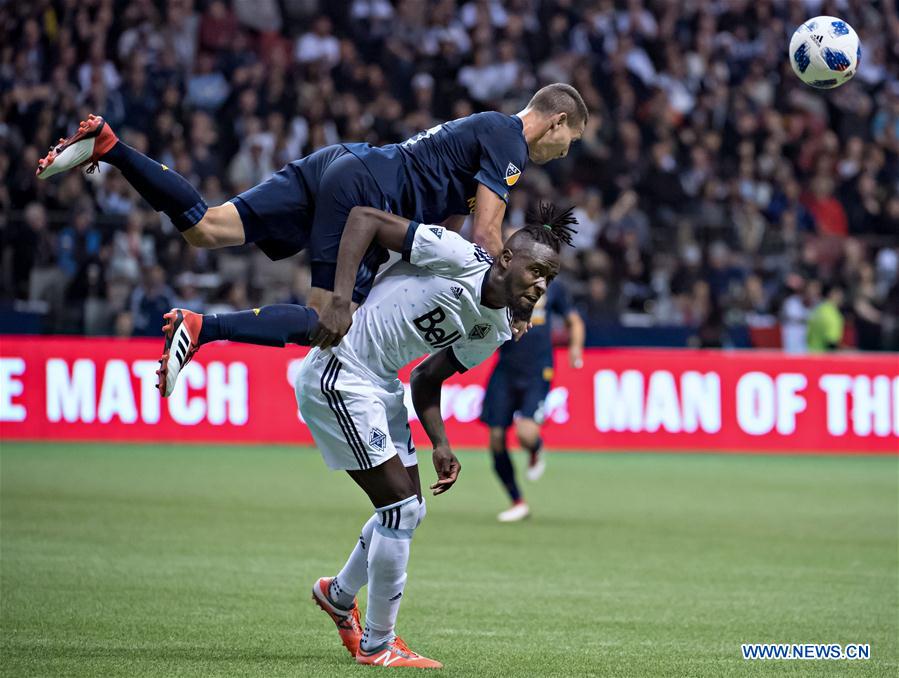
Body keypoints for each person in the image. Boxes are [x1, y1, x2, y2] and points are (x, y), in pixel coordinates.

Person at [35, 84, 587, 393]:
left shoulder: (482, 133)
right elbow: (489, 235)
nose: (563, 153)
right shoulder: (509, 139)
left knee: (208, 228)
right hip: (368, 194)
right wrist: (518, 310)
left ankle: (109, 146)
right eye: (569, 141)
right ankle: (200, 327)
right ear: (557, 120)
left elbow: (451, 237)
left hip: (341, 163)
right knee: (329, 319)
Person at [296, 202, 575, 667]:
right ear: (507, 258)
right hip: (341, 368)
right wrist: (340, 299)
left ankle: (339, 594)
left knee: (410, 512)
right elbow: (364, 218)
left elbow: (426, 378)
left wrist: (440, 441)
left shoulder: (496, 327)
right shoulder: (458, 255)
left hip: (382, 384)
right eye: (537, 270)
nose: (543, 284)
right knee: (400, 511)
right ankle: (378, 645)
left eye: (551, 277)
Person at [480, 275, 584, 522]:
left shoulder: (554, 286)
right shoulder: (503, 283)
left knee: (525, 434)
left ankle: (535, 449)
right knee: (495, 437)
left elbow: (574, 321)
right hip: (505, 368)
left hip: (538, 369)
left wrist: (576, 348)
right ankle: (517, 501)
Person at [807, 283, 845, 352]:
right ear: (833, 294)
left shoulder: (817, 310)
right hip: (824, 358)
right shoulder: (833, 315)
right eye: (840, 294)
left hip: (811, 354)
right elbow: (831, 343)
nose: (842, 297)